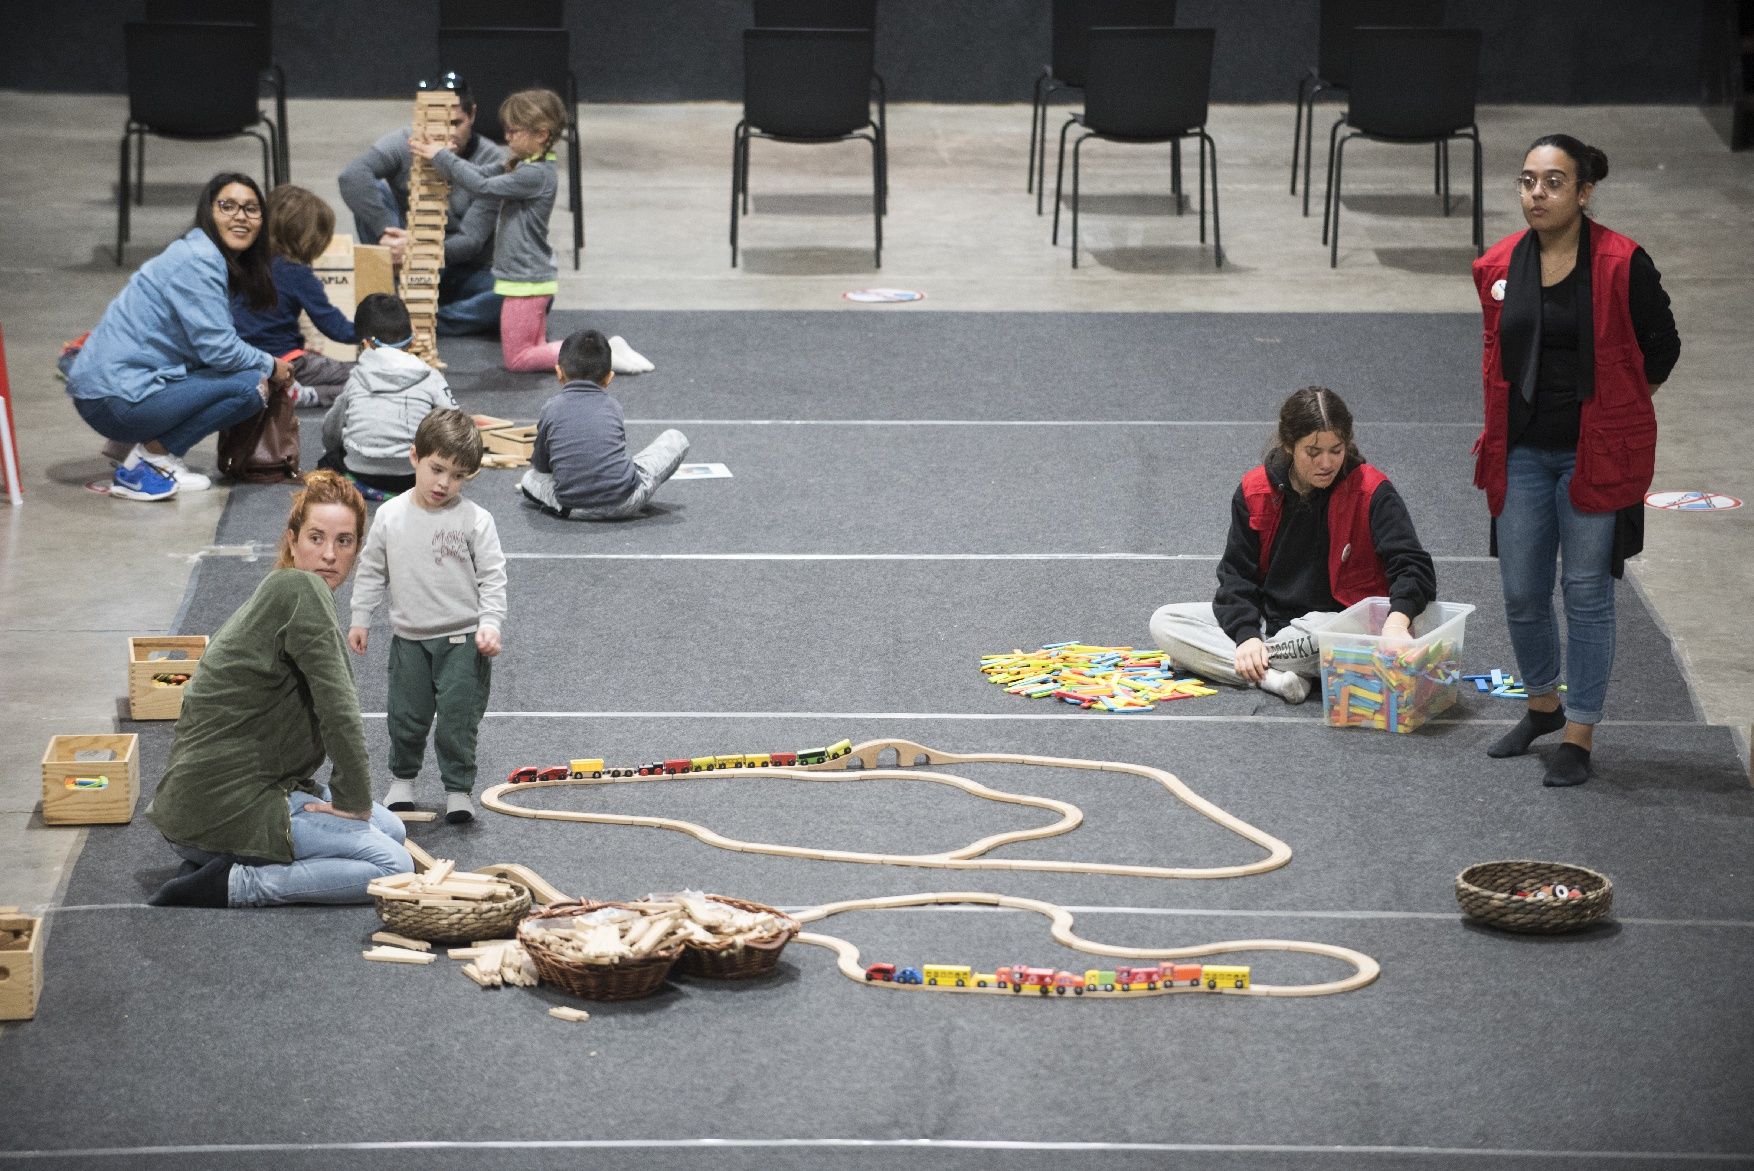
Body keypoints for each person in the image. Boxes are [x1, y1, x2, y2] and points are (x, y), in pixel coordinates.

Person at [1473, 134, 1680, 787]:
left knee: (1587, 593)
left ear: (1585, 192)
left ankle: (1580, 733)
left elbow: (1663, 346)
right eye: (1528, 181)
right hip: (1521, 452)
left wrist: (1620, 405)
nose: (1537, 193)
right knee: (1522, 590)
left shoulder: (1623, 263)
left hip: (1594, 454)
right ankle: (1542, 706)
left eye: (1554, 182)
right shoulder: (1497, 265)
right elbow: (1497, 355)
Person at [144, 470, 413, 908]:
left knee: (394, 830)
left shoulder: (286, 588)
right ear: (292, 540)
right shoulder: (300, 590)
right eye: (316, 538)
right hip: (226, 807)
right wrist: (353, 801)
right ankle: (236, 884)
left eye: (344, 541)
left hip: (211, 803)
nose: (330, 554)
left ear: (357, 548)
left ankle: (225, 859)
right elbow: (340, 710)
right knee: (394, 867)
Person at [1150, 387, 1437, 704]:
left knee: (1325, 635)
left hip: (1333, 625)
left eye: (1336, 450)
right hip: (1269, 623)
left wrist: (1395, 624)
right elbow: (1236, 576)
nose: (1326, 463)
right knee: (1165, 622)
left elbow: (1414, 567)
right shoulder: (1254, 490)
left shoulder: (1371, 491)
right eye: (1313, 452)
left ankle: (1231, 662)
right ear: (1289, 445)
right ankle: (1276, 677)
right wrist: (1247, 636)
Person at [67, 172, 292, 500]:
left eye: (251, 208)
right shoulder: (200, 260)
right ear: (208, 211)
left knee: (234, 372)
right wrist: (271, 364)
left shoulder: (199, 252)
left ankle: (128, 448)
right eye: (227, 206)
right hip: (113, 399)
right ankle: (150, 463)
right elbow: (220, 350)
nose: (240, 216)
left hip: (111, 390)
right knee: (250, 386)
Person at [410, 89, 653, 377]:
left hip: (526, 281)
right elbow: (482, 173)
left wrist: (442, 157)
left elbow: (481, 187)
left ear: (541, 134)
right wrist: (446, 157)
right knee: (535, 347)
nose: (507, 137)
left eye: (514, 131)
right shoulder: (523, 165)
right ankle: (604, 350)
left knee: (519, 358)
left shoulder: (534, 174)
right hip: (529, 278)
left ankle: (602, 355)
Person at [348, 409, 507, 824]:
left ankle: (458, 789)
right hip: (409, 640)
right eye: (437, 469)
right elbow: (372, 570)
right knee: (405, 715)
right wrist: (361, 617)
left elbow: (493, 577)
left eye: (457, 476)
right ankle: (402, 782)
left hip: (463, 641)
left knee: (458, 720)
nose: (444, 484)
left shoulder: (476, 520)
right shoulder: (390, 515)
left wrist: (490, 623)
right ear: (414, 457)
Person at [336, 75, 507, 336]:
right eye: (438, 124)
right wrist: (387, 231)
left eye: (456, 123)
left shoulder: (492, 160)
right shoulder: (406, 141)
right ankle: (397, 300)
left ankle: (423, 321)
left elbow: (471, 241)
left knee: (514, 294)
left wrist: (419, 250)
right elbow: (352, 177)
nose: (447, 133)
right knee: (373, 192)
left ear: (472, 114)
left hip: (459, 269)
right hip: (403, 266)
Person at [517, 328, 689, 521]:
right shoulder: (613, 406)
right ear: (609, 377)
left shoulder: (550, 408)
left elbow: (541, 465)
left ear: (559, 373)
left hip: (572, 508)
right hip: (626, 501)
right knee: (676, 438)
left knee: (529, 478)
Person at [318, 294, 459, 497]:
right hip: (413, 474)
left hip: (361, 472)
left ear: (366, 344)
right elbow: (455, 424)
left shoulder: (356, 378)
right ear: (413, 336)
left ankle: (366, 490)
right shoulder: (430, 376)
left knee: (327, 462)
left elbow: (331, 432)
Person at [231, 184, 357, 409]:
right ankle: (303, 395)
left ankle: (276, 389)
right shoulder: (296, 273)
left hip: (242, 360)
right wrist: (373, 334)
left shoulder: (242, 261)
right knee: (363, 375)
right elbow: (334, 327)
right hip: (285, 361)